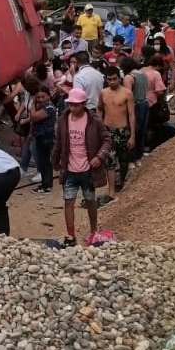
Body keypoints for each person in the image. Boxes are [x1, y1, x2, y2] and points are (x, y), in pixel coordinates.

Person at [52, 88, 112, 248]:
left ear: (83, 104)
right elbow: (59, 143)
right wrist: (55, 160)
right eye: (70, 104)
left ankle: (93, 231)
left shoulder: (94, 121)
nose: (72, 108)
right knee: (68, 202)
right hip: (70, 170)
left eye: (76, 105)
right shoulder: (63, 121)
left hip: (88, 171)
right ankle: (70, 235)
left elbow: (107, 140)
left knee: (90, 200)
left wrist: (99, 157)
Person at [97, 67, 134, 202]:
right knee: (109, 161)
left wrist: (132, 135)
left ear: (119, 78)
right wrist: (100, 126)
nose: (111, 82)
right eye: (109, 79)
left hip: (123, 130)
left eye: (114, 79)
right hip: (108, 130)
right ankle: (111, 191)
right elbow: (100, 109)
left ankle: (122, 181)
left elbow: (131, 115)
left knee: (123, 160)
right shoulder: (103, 93)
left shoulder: (127, 93)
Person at [29, 88, 57, 193]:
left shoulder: (49, 108)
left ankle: (46, 185)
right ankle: (46, 184)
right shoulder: (43, 107)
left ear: (48, 96)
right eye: (38, 97)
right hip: (40, 137)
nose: (40, 99)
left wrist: (32, 103)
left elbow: (33, 117)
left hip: (46, 138)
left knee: (44, 161)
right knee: (43, 161)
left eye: (43, 97)